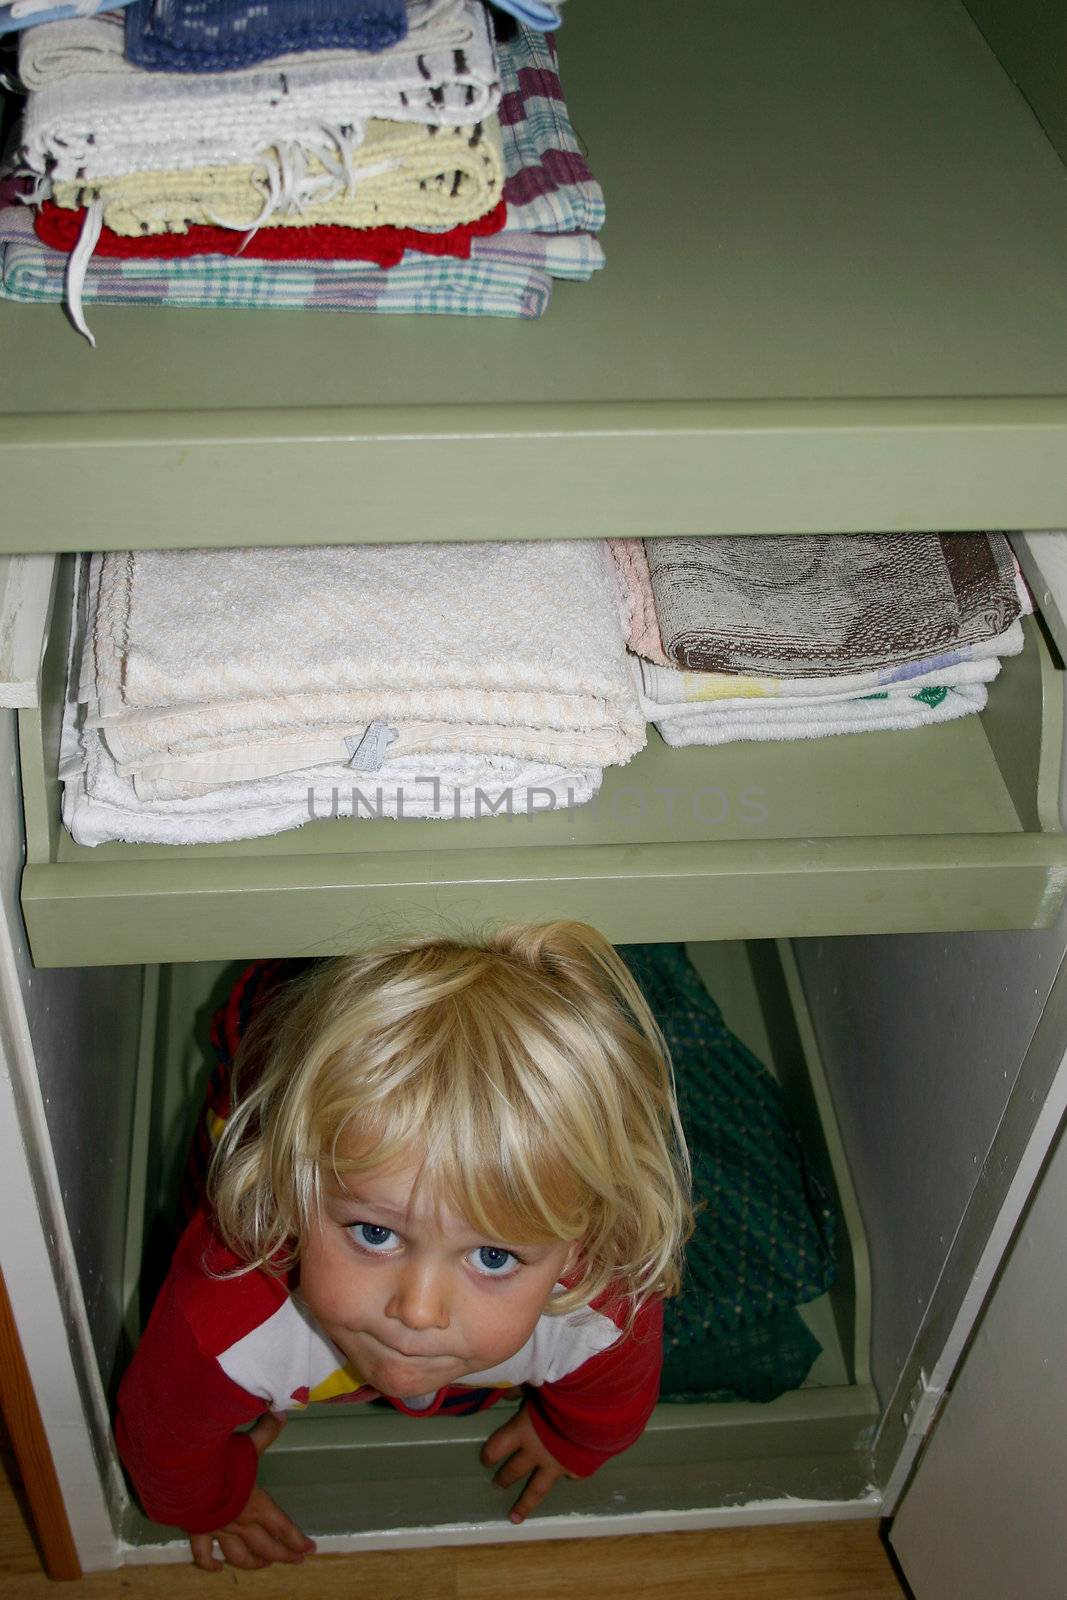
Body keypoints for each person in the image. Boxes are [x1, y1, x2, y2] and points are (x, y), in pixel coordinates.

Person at [115, 922, 693, 1572]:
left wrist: (571, 1442)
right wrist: (209, 1502)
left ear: (579, 1242)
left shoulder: (602, 1306)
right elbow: (160, 1439)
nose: (418, 1309)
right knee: (255, 1061)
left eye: (493, 1256)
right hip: (277, 1046)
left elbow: (612, 1402)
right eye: (376, 1233)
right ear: (293, 1190)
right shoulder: (225, 1315)